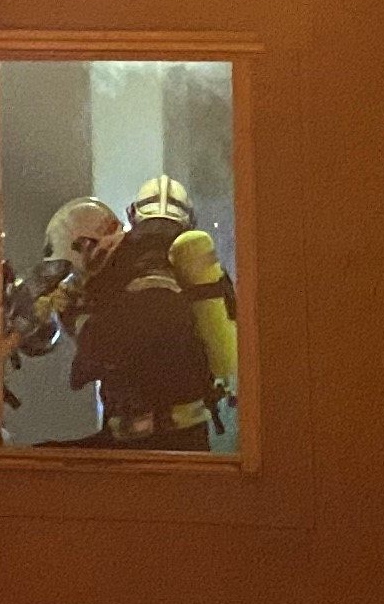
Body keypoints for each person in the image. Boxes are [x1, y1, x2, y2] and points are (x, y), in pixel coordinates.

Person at [37, 177, 238, 449]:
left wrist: (76, 315)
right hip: (184, 439)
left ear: (133, 214)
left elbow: (105, 346)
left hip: (148, 443)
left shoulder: (137, 273)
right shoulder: (192, 275)